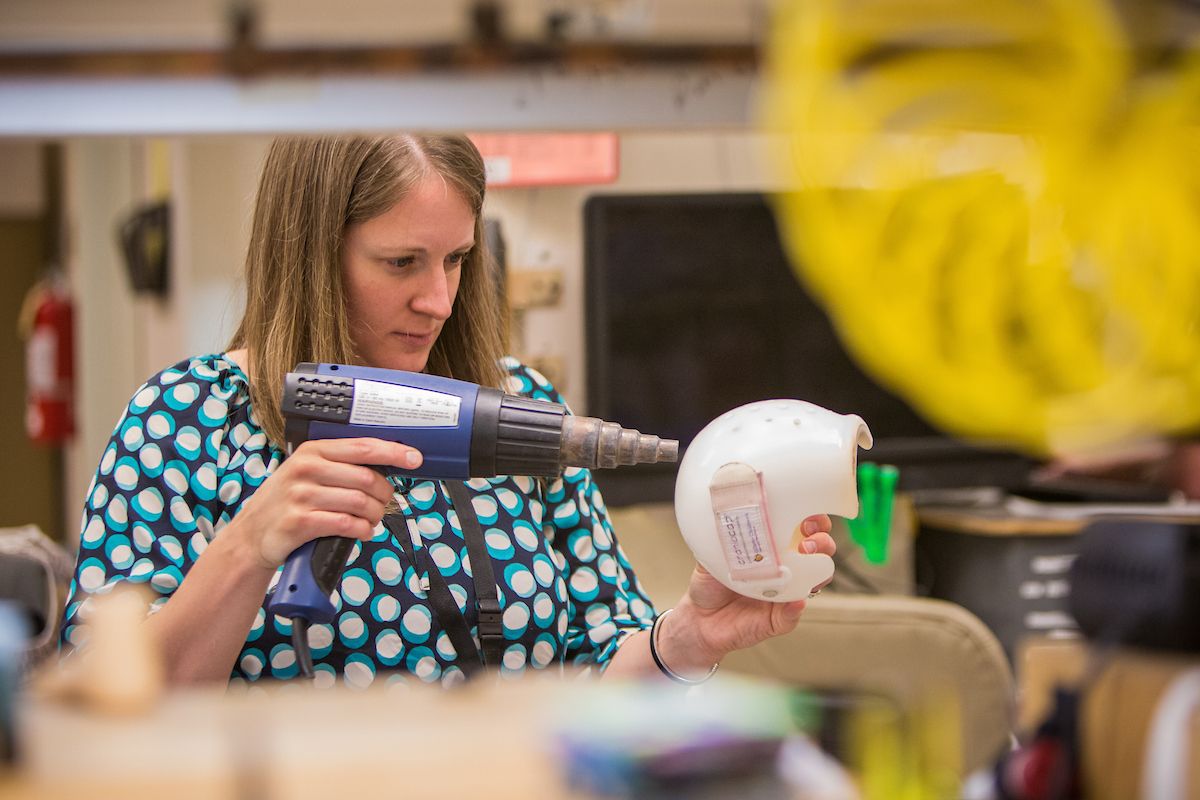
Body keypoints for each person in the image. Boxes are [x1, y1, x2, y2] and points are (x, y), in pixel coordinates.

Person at [60, 134, 836, 688]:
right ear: (310, 253)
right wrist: (250, 546)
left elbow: (599, 669)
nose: (437, 300)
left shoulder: (520, 403)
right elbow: (104, 708)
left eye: (457, 259)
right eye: (400, 262)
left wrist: (690, 640)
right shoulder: (187, 418)